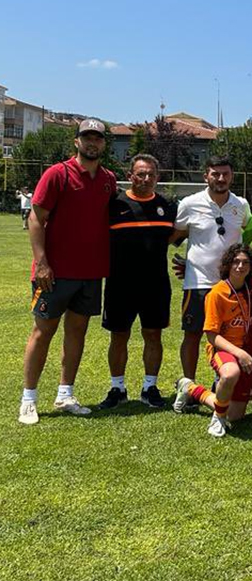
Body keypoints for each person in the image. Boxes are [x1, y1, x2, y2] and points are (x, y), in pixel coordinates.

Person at [19, 119, 117, 425]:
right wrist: (42, 262)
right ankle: (28, 398)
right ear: (76, 142)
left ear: (104, 144)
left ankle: (65, 394)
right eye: (86, 138)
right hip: (55, 273)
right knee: (43, 332)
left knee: (77, 332)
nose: (92, 143)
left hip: (90, 272)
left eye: (97, 139)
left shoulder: (108, 179)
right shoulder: (57, 174)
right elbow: (36, 219)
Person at [99, 154, 176, 410]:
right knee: (119, 335)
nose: (146, 179)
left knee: (153, 335)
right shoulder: (113, 205)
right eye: (140, 174)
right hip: (120, 284)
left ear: (158, 177)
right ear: (130, 175)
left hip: (156, 285)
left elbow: (186, 236)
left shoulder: (167, 206)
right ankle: (117, 388)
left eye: (151, 174)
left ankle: (149, 387)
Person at [173, 156, 250, 383]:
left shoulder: (241, 205)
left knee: (230, 334)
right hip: (198, 282)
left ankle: (221, 380)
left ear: (232, 177)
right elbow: (176, 235)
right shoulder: (189, 203)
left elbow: (242, 232)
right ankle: (188, 384)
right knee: (193, 334)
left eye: (225, 174)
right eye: (215, 174)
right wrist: (189, 260)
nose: (220, 178)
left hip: (231, 284)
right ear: (205, 175)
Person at [173, 244, 252, 438]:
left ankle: (191, 388)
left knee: (235, 415)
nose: (240, 266)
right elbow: (212, 336)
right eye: (235, 262)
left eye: (245, 262)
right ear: (227, 265)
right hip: (222, 349)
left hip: (245, 350)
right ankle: (217, 419)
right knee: (230, 374)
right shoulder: (216, 293)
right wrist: (240, 353)